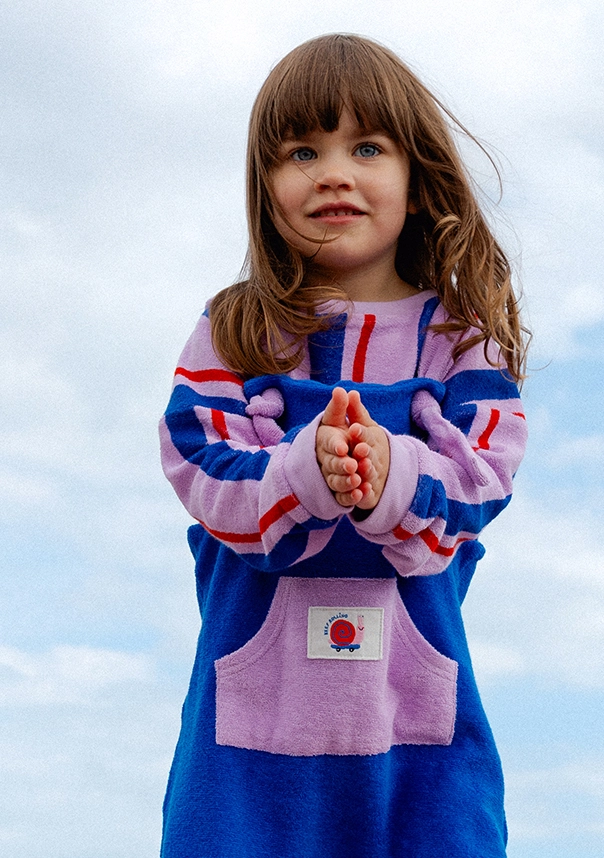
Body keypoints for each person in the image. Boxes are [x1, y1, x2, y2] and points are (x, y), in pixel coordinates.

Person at [159, 33, 529, 858]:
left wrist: (389, 472)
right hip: (244, 752)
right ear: (265, 186)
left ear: (415, 174)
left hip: (416, 739)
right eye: (300, 150)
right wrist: (308, 471)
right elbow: (199, 461)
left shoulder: (460, 340)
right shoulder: (236, 329)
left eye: (365, 146)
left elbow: (483, 475)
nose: (332, 171)